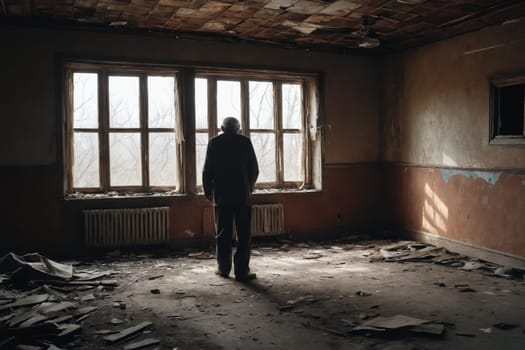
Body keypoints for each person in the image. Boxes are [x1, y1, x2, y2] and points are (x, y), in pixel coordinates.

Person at [203, 117, 259, 282]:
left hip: (222, 196)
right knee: (243, 234)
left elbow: (207, 170)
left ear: (221, 128)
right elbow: (254, 169)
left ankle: (224, 269)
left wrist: (208, 192)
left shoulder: (214, 143)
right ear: (239, 128)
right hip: (242, 196)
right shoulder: (245, 142)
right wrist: (248, 188)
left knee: (223, 234)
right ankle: (241, 271)